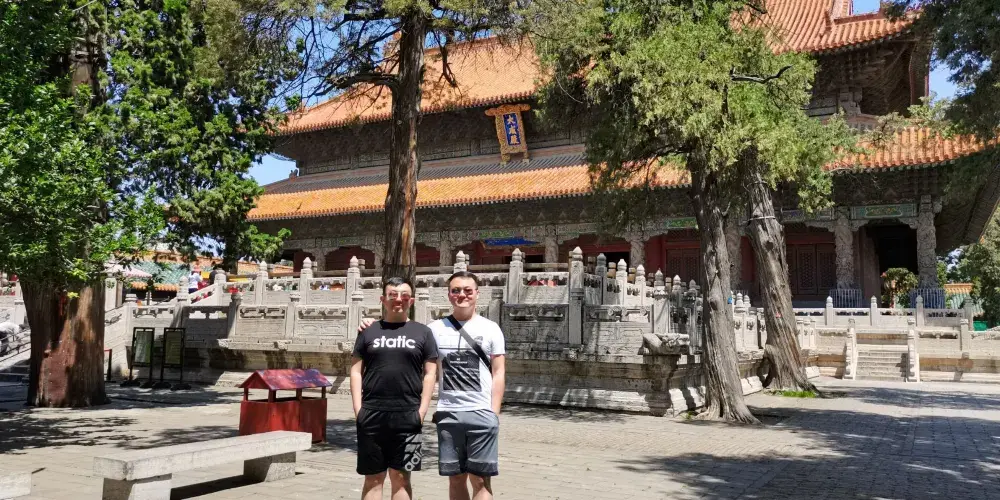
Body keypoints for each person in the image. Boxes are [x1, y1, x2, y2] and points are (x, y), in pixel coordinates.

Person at [351, 277, 438, 500]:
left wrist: (422, 412)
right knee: (373, 478)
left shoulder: (423, 332)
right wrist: (359, 410)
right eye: (392, 295)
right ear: (383, 299)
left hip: (408, 416)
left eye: (404, 295)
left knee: (401, 477)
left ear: (412, 300)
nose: (398, 299)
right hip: (371, 414)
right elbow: (355, 371)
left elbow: (430, 373)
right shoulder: (368, 331)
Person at [428, 271, 506, 500]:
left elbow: (499, 372)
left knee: (480, 480)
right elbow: (427, 370)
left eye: (467, 290)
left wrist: (493, 412)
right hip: (448, 413)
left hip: (481, 412)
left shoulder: (491, 328)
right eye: (456, 290)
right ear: (449, 295)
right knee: (455, 478)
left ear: (477, 294)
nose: (461, 295)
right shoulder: (434, 329)